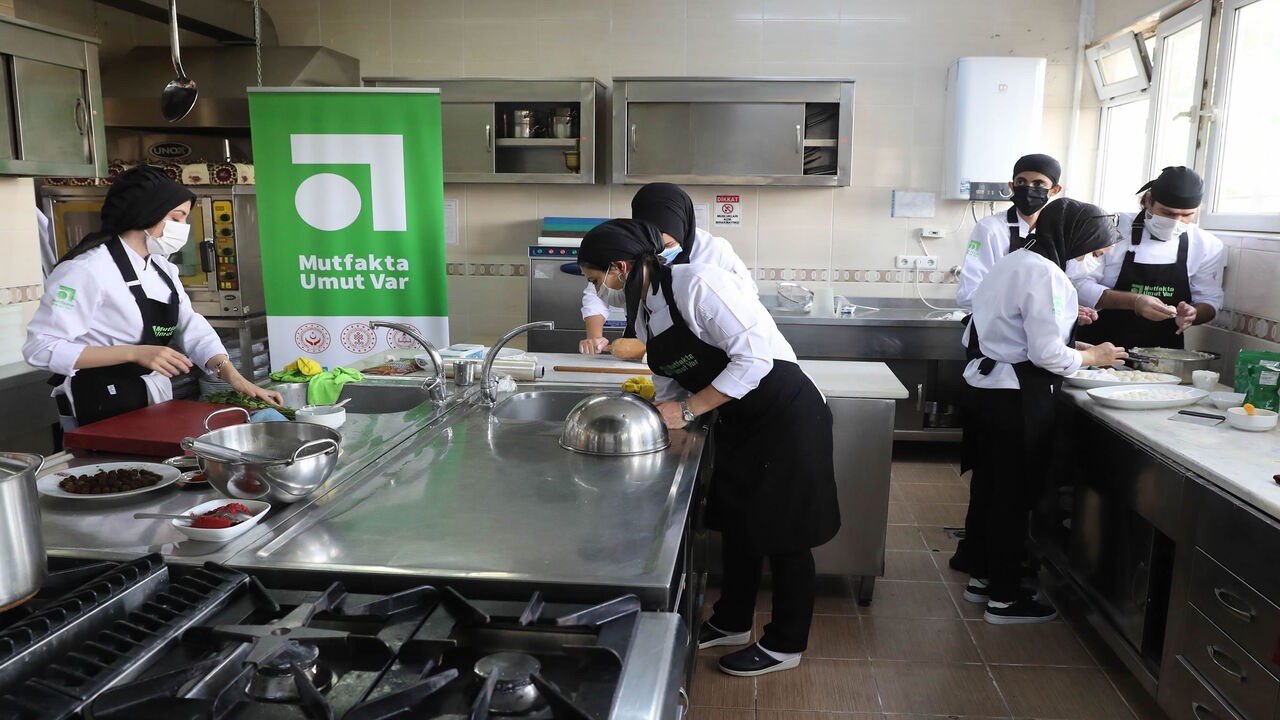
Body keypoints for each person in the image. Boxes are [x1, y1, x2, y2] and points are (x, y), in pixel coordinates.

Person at [578, 218, 838, 676]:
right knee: (740, 521)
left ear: (620, 267)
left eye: (598, 280)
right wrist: (664, 423)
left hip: (785, 413)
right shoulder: (645, 308)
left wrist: (691, 411)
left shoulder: (698, 283)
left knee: (785, 534)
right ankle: (733, 621)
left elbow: (754, 357)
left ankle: (785, 643)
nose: (600, 290)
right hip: (737, 416)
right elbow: (667, 375)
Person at [961, 197, 1127, 623]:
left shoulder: (1014, 261)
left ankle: (981, 578)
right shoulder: (1049, 276)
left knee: (990, 491)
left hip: (987, 389)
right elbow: (1047, 355)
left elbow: (1008, 331)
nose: (1090, 261)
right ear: (1075, 238)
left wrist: (1074, 344)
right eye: (1092, 251)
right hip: (1015, 400)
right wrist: (1095, 356)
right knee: (1013, 499)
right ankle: (1004, 598)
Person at [23, 166, 282, 428]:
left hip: (150, 398)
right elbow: (41, 348)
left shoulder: (162, 267)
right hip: (99, 399)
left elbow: (191, 326)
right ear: (147, 213)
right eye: (177, 218)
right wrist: (135, 353)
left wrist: (235, 378)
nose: (184, 228)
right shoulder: (85, 270)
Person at [578, 182, 756, 354]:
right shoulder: (633, 245)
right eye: (655, 247)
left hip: (706, 343)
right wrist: (595, 337)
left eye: (668, 244)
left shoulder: (714, 252)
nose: (661, 254)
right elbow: (600, 285)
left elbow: (746, 299)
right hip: (643, 340)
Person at [1074, 166, 1225, 349]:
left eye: (1186, 215)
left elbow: (1209, 301)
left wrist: (1193, 314)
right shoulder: (1111, 228)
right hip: (1098, 348)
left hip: (1163, 357)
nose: (1175, 221)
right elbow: (1078, 285)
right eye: (1167, 213)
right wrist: (1135, 301)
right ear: (1148, 200)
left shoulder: (1206, 245)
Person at [956, 154, 1065, 311]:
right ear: (1012, 186)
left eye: (1038, 183)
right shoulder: (990, 229)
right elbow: (968, 295)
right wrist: (1030, 305)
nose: (1029, 188)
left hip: (1043, 330)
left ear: (1054, 190)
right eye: (1021, 182)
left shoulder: (1059, 232)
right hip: (996, 331)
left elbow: (1068, 287)